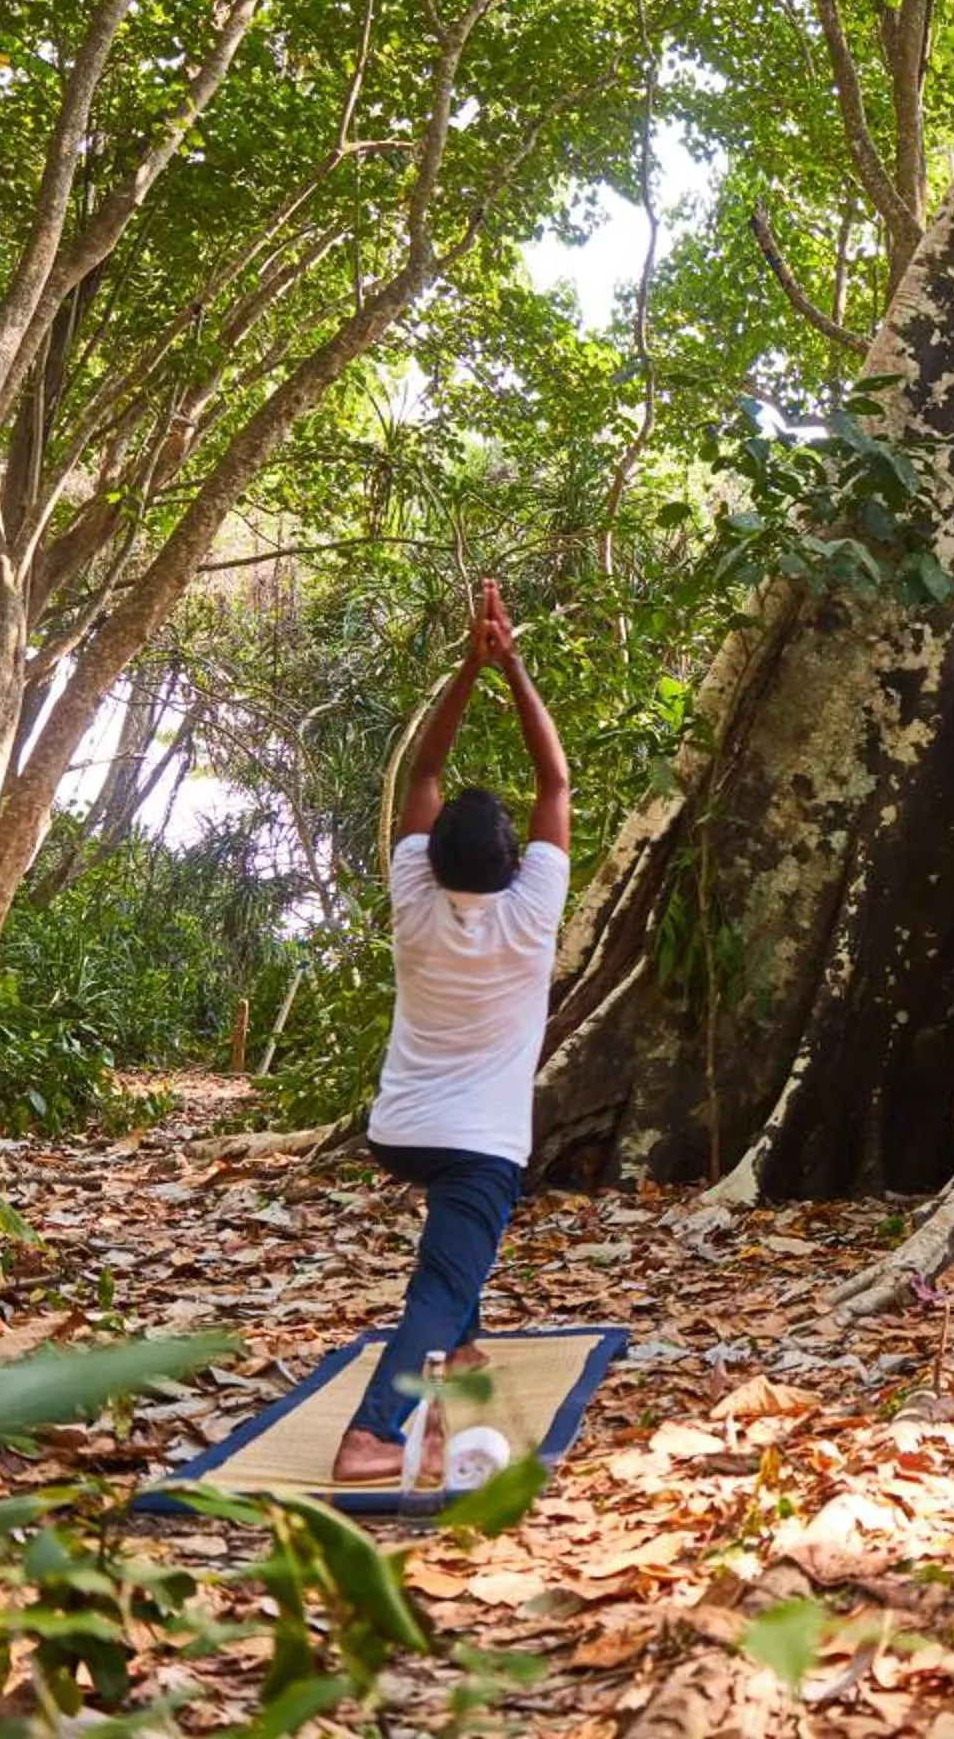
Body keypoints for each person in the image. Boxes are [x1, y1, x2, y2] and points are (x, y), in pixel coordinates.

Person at [333, 579, 573, 1484]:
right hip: (478, 1147)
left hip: (398, 1134)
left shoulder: (412, 896)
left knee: (452, 1271)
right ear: (516, 862)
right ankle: (370, 1433)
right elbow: (556, 779)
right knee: (440, 1284)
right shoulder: (532, 911)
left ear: (430, 857)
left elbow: (423, 775)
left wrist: (468, 672)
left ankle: (462, 1369)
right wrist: (511, 664)